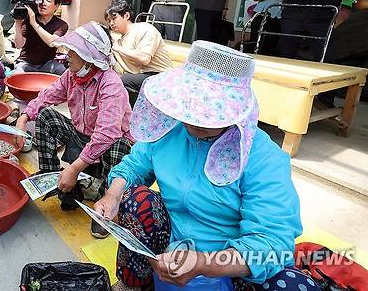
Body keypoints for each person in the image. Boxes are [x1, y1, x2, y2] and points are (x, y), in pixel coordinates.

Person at [95, 41, 312, 291]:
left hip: (227, 261)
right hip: (168, 249)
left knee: (293, 285)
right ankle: (135, 284)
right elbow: (133, 166)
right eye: (191, 107)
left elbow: (271, 242)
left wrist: (204, 264)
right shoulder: (169, 129)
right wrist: (112, 196)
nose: (194, 120)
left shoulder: (263, 157)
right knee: (134, 197)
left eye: (209, 113)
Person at [16, 22, 134, 239]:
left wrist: (74, 168)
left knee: (120, 145)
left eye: (73, 51)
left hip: (110, 145)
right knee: (46, 117)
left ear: (89, 57)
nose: (67, 55)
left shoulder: (111, 84)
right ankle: (55, 181)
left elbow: (106, 134)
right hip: (82, 135)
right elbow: (47, 96)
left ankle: (105, 207)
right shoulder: (72, 76)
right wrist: (24, 117)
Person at [105, 1, 172, 106]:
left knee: (124, 80)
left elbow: (144, 59)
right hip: (141, 77)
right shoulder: (118, 42)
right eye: (109, 20)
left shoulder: (144, 29)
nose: (111, 23)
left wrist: (118, 49)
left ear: (126, 15)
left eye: (114, 19)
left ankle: (131, 116)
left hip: (162, 77)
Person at [13, 0, 68, 74]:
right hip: (27, 62)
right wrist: (17, 22)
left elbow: (52, 43)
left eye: (48, 1)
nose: (43, 3)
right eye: (41, 0)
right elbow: (19, 45)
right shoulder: (28, 20)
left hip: (47, 64)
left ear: (57, 5)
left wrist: (34, 23)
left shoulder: (61, 25)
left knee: (62, 71)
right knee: (18, 75)